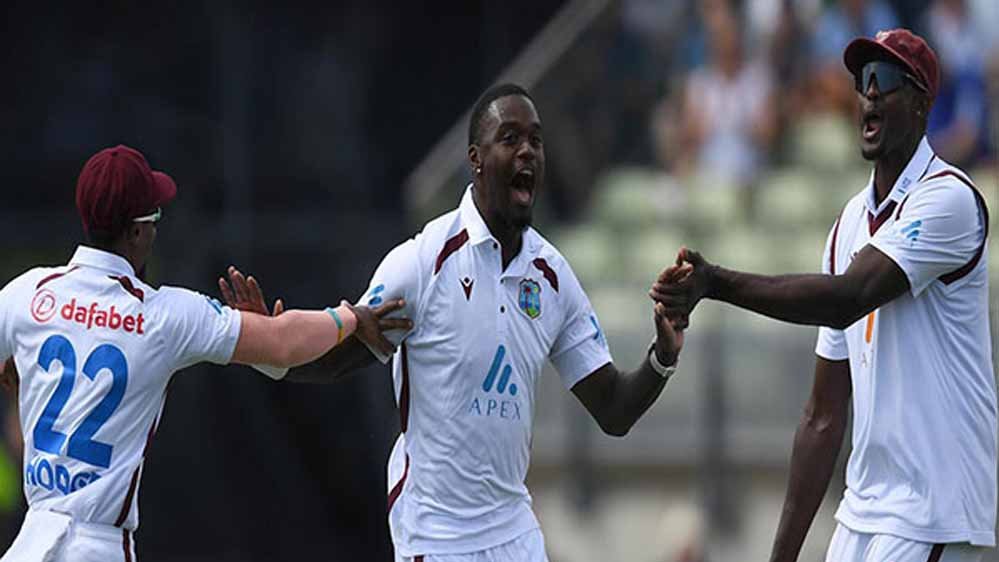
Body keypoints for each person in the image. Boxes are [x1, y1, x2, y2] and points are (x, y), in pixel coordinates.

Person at [230, 83, 688, 561]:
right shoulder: (423, 262)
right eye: (510, 138)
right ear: (476, 159)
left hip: (514, 534)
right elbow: (339, 359)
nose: (527, 151)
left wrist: (663, 356)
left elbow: (614, 410)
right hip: (437, 535)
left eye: (536, 140)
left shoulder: (552, 277)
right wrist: (268, 347)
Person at [652, 29, 994, 562]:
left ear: (923, 103)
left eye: (886, 79)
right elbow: (823, 415)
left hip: (936, 509)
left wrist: (716, 282)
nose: (870, 94)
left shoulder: (950, 199)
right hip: (864, 510)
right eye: (863, 80)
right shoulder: (847, 226)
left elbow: (847, 298)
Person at [0, 145, 410, 562]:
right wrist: (349, 316)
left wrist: (13, 363)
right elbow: (283, 343)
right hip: (96, 546)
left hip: (31, 544)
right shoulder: (164, 316)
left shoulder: (27, 294)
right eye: (154, 220)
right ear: (137, 232)